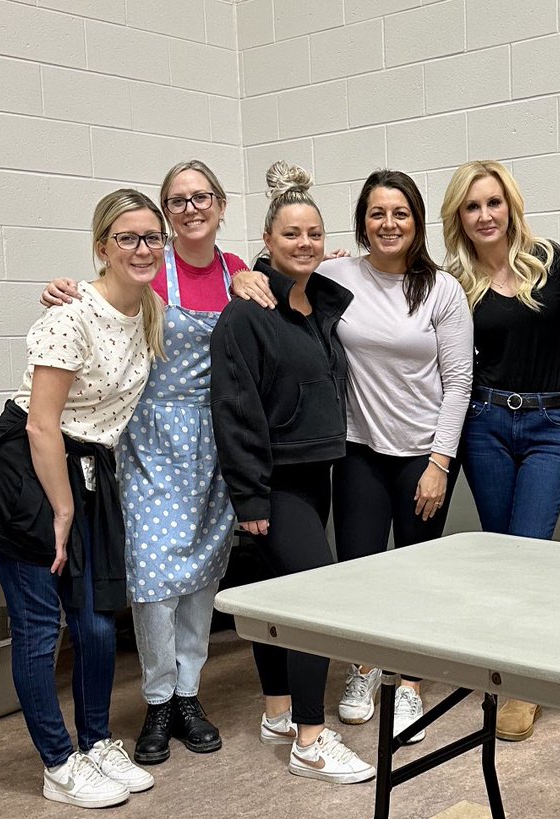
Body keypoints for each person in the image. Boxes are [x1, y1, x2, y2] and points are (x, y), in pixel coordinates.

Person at [42, 161, 268, 766]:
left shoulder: (239, 273)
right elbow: (101, 302)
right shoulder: (148, 272)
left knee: (201, 577)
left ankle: (190, 695)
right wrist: (66, 290)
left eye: (201, 197)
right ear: (166, 215)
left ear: (220, 204)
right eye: (177, 200)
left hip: (217, 442)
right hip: (148, 438)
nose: (191, 208)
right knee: (151, 580)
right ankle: (157, 699)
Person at [0, 189, 165, 808]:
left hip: (85, 470)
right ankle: (57, 762)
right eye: (127, 238)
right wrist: (63, 509)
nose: (142, 248)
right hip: (28, 472)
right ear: (102, 247)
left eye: (151, 237)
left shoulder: (149, 308)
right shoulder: (70, 315)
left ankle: (98, 742)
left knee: (97, 622)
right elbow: (41, 424)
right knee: (41, 625)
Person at [272, 170, 473, 745]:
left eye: (401, 213)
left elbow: (458, 383)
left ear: (416, 222)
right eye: (378, 213)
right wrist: (243, 277)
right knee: (358, 569)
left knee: (414, 572)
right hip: (358, 446)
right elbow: (276, 267)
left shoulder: (442, 290)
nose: (389, 224)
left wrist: (439, 463)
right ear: (363, 221)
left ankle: (409, 681)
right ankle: (364, 670)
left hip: (422, 453)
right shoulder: (336, 274)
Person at [211, 161, 374, 784]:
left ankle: (278, 710)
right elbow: (236, 412)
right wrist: (250, 498)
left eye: (313, 234)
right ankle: (311, 738)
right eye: (290, 235)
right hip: (276, 483)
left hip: (317, 472)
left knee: (280, 597)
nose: (303, 244)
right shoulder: (248, 314)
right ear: (267, 242)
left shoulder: (321, 306)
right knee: (313, 600)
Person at [440, 159, 560, 742]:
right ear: (459, 218)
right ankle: (503, 671)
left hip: (552, 421)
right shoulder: (453, 280)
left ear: (511, 205)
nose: (485, 215)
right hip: (486, 422)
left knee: (530, 551)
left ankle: (523, 684)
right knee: (501, 553)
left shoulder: (550, 262)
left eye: (493, 202)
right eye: (472, 207)